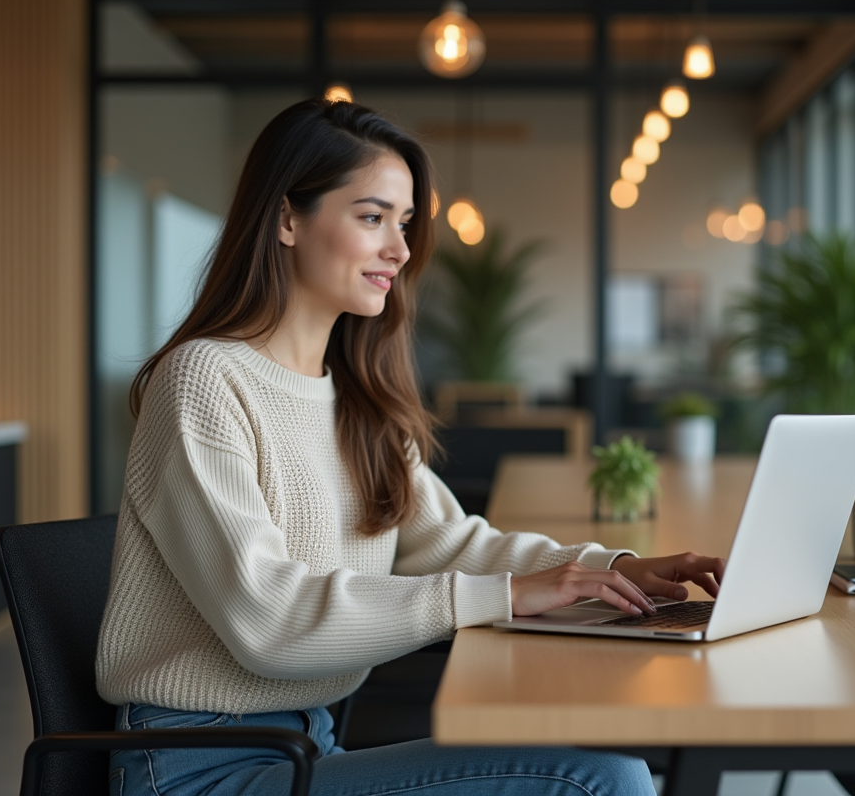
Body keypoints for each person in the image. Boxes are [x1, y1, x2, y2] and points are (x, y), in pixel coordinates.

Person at [96, 97, 725, 796]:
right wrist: (509, 596)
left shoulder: (357, 398)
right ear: (285, 219)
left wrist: (615, 569)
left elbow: (452, 543)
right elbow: (266, 619)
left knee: (598, 771)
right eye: (372, 218)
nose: (399, 249)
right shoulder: (204, 380)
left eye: (402, 223)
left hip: (310, 740)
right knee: (597, 781)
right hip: (199, 764)